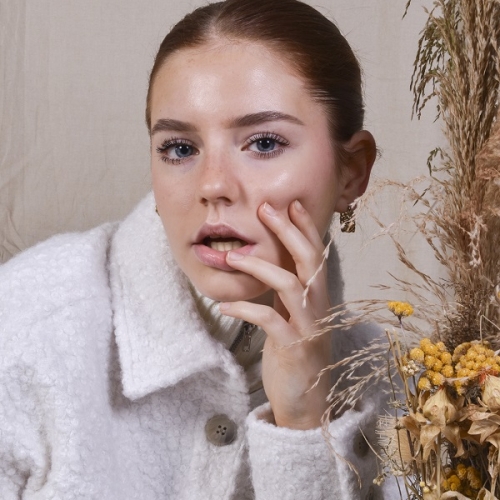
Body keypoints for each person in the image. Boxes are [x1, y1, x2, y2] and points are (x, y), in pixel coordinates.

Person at [0, 0, 387, 498]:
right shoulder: (25, 328)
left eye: (264, 143)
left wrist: (304, 426)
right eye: (179, 149)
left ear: (351, 171)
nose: (213, 186)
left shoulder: (381, 380)